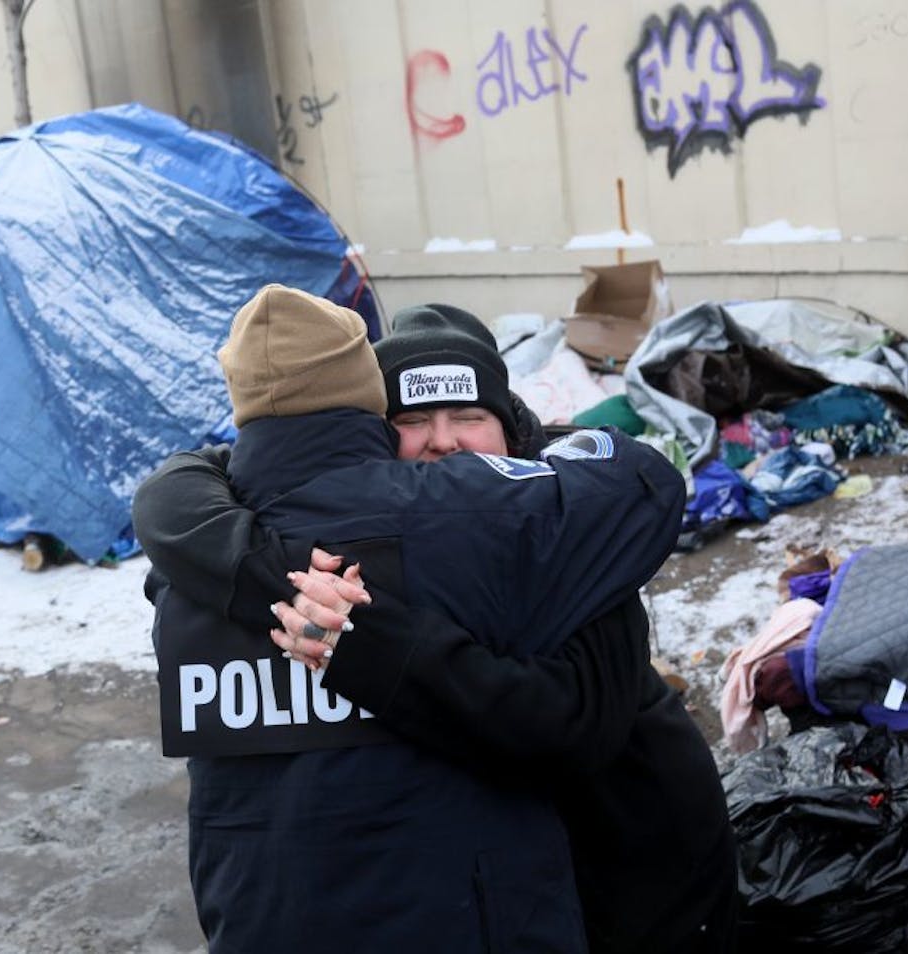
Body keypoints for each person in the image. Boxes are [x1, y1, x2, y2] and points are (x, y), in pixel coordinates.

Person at [134, 300, 738, 953]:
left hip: (643, 880)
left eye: (470, 417)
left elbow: (572, 725)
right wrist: (251, 558)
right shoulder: (256, 535)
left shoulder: (558, 547)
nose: (443, 440)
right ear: (370, 435)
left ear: (510, 430)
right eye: (412, 420)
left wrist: (351, 638)